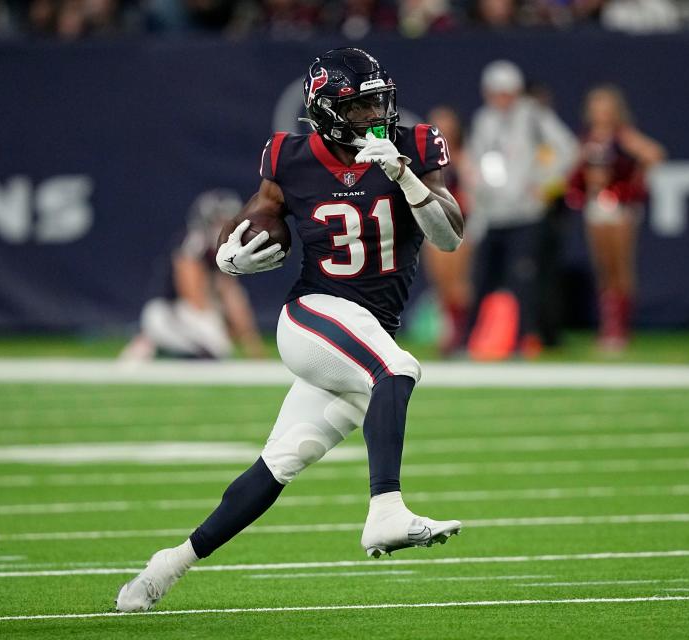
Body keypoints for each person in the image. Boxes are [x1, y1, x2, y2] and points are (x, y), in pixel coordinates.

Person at [116, 47, 464, 612]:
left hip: (364, 331)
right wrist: (235, 253)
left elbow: (448, 236)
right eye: (359, 106)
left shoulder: (413, 146)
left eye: (378, 101)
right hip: (314, 315)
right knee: (396, 368)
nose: (375, 115)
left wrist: (401, 174)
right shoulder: (289, 157)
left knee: (282, 461)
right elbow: (258, 220)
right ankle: (385, 511)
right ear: (326, 110)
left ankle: (166, 566)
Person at [465, 60, 577, 358]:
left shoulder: (533, 116)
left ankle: (525, 339)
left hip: (526, 214)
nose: (502, 99)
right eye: (496, 93)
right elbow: (477, 160)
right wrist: (478, 191)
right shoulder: (484, 120)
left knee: (523, 279)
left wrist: (546, 183)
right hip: (492, 214)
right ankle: (469, 340)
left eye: (507, 92)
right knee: (482, 278)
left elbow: (567, 148)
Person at [567, 84, 665, 351]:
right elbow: (572, 165)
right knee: (603, 267)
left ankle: (622, 327)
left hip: (620, 206)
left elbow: (654, 154)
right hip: (595, 205)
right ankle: (608, 324)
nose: (602, 114)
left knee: (621, 266)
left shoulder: (623, 135)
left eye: (606, 109)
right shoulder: (587, 139)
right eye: (597, 109)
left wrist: (635, 179)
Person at [119, 189, 265, 361]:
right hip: (169, 311)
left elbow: (231, 293)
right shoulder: (194, 241)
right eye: (221, 221)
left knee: (217, 348)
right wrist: (212, 322)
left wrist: (250, 339)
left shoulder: (222, 251)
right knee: (217, 347)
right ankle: (152, 340)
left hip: (191, 312)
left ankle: (164, 347)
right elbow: (191, 292)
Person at [422, 105, 472, 355]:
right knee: (441, 286)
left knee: (458, 285)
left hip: (458, 226)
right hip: (433, 226)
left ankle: (462, 334)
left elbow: (472, 193)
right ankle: (449, 333)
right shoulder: (425, 160)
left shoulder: (463, 158)